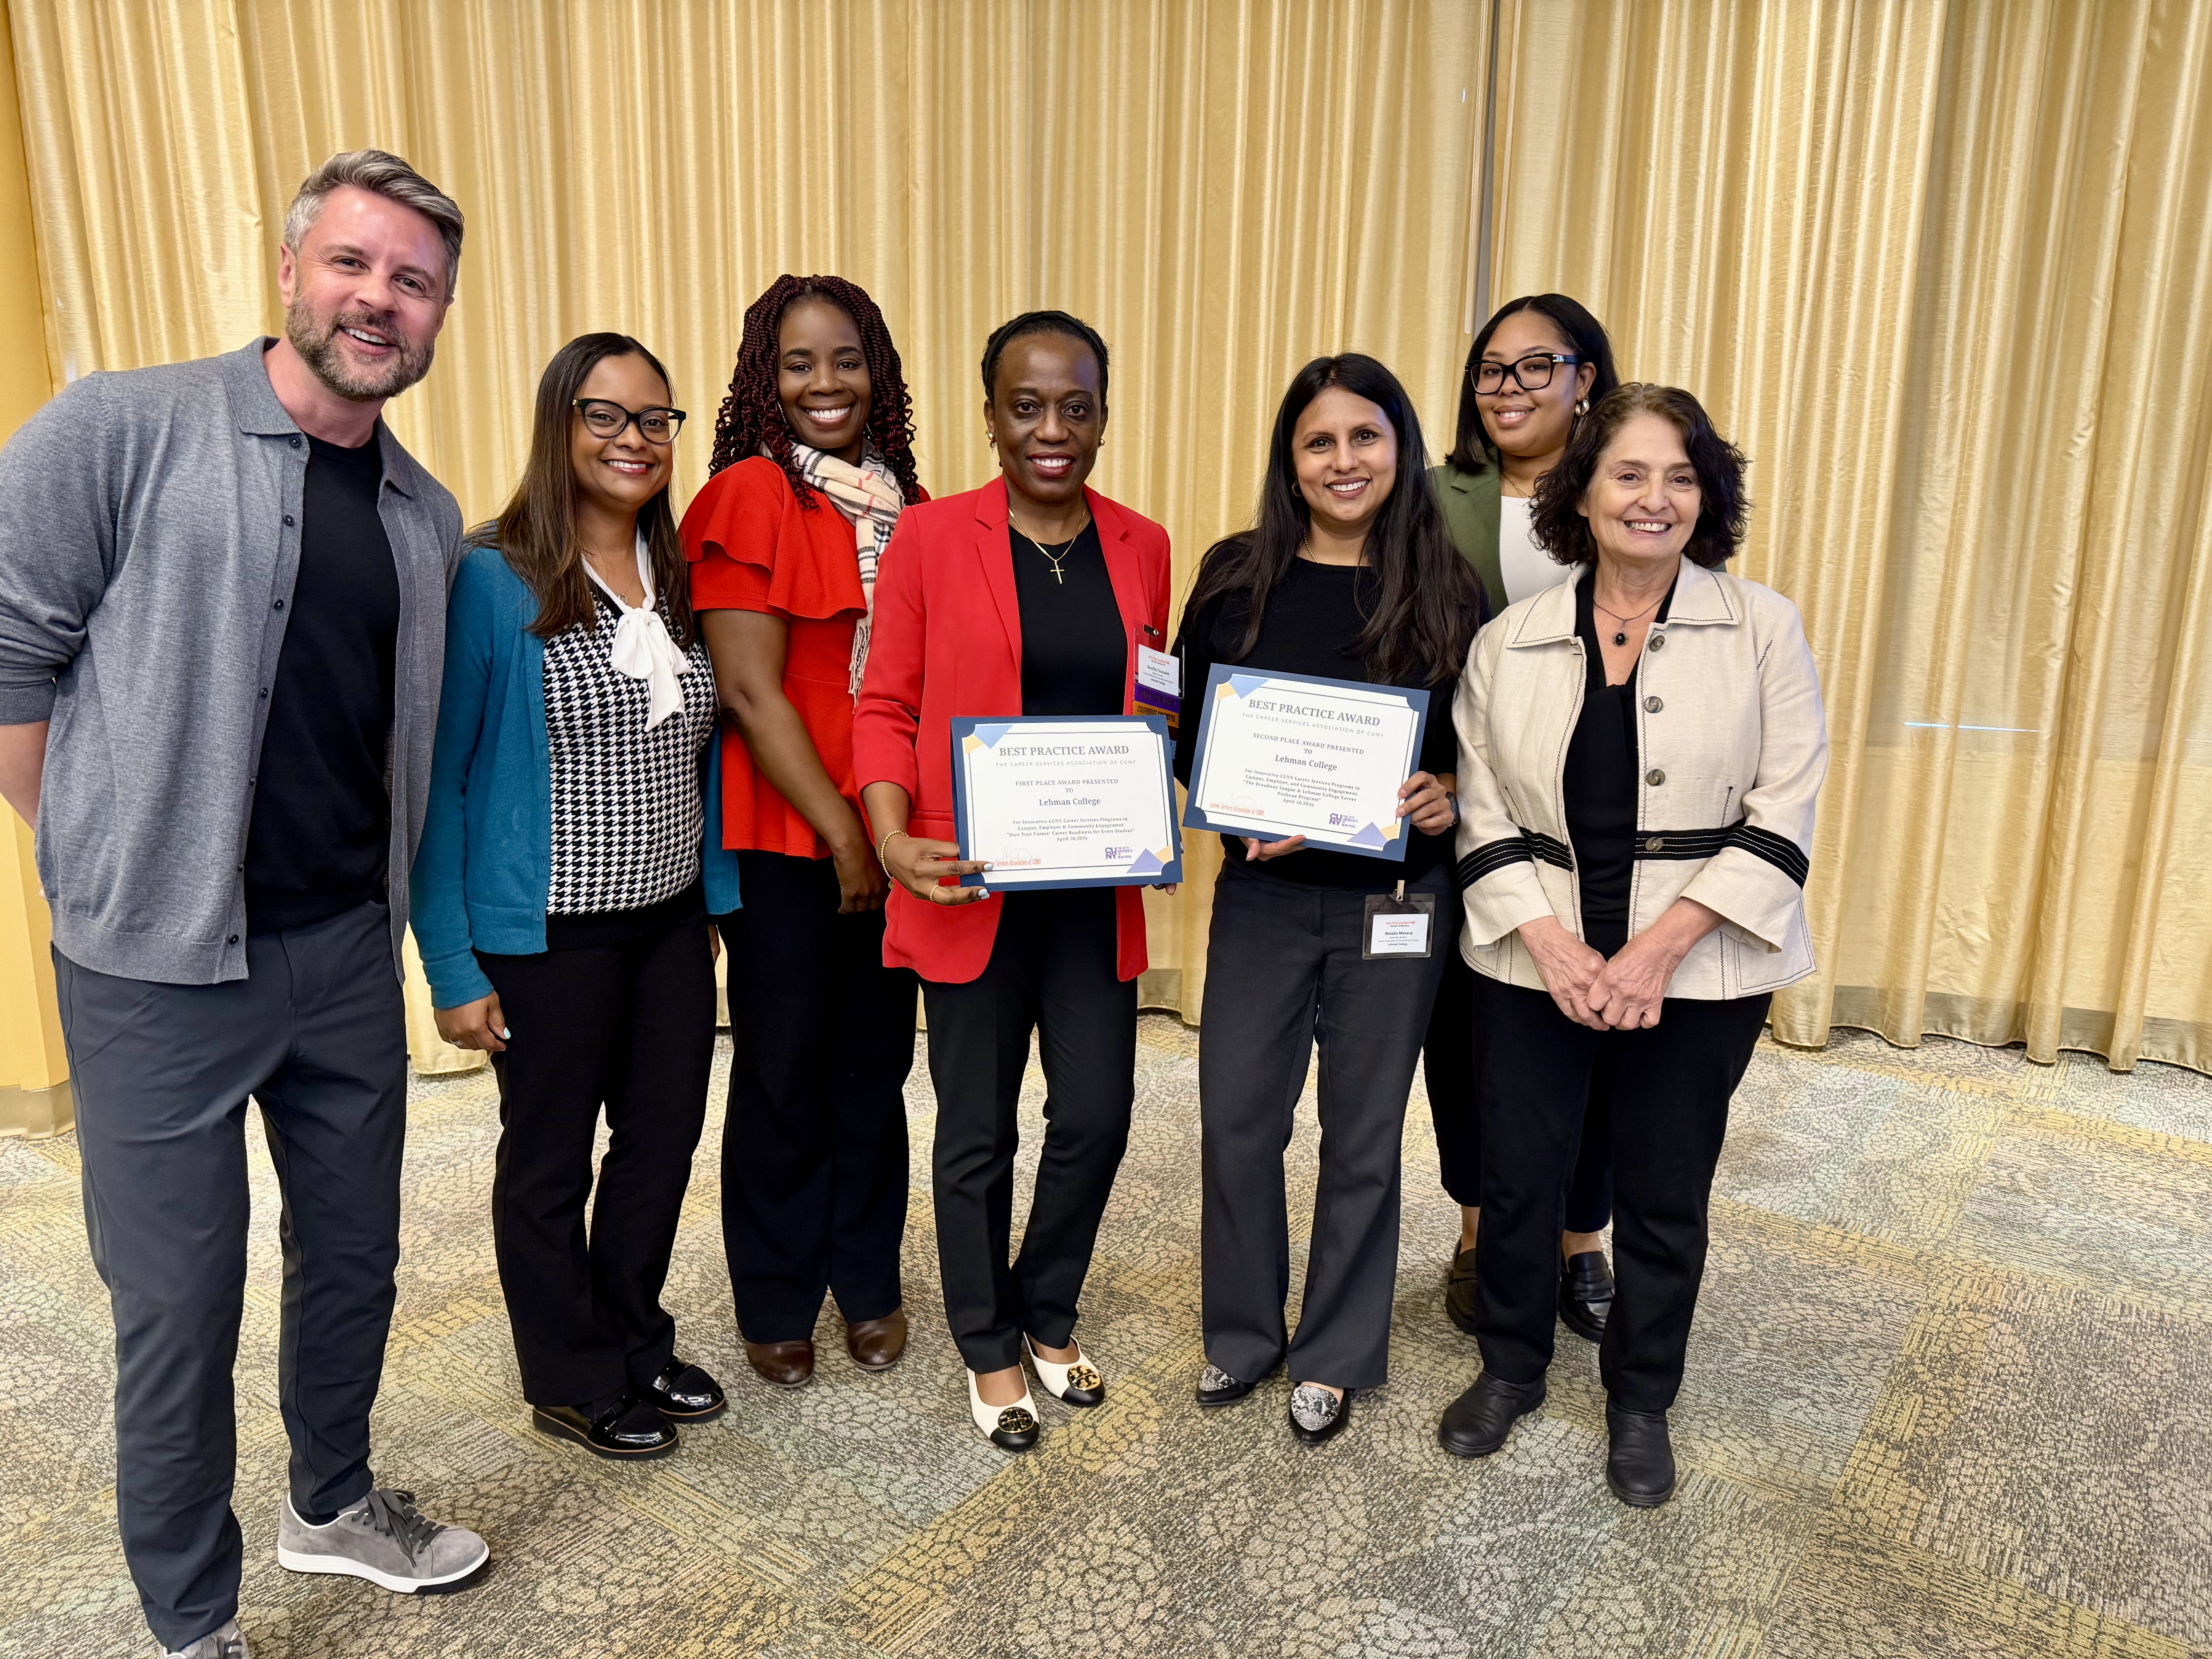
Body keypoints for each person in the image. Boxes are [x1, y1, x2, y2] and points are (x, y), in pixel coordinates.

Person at [0, 151, 489, 1659]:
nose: (378, 302)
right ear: (292, 272)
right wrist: (97, 849)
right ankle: (190, 1620)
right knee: (179, 1307)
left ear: (438, 317)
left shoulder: (423, 509)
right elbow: (13, 659)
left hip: (341, 956)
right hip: (154, 971)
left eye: (413, 283)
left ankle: (330, 1503)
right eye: (354, 265)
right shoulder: (119, 429)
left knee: (355, 1258)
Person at [1435, 385, 1826, 1508]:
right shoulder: (1508, 641)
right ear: (1583, 491)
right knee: (1519, 1181)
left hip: (1702, 967)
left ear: (1708, 497)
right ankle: (1511, 1364)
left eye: (1681, 476)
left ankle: (1641, 1395)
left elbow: (1785, 803)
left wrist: (1657, 950)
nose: (1654, 499)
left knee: (1663, 1192)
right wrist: (1556, 946)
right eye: (1629, 474)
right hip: (1533, 958)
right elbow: (1482, 810)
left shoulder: (1765, 625)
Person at [412, 334, 735, 1462]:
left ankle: (637, 1335)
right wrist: (452, 967)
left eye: (655, 419)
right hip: (545, 933)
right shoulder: (492, 575)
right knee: (548, 1160)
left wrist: (718, 904)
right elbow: (440, 784)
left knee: (661, 1142)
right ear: (559, 425)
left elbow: (705, 753)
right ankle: (568, 1373)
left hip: (668, 921)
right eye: (605, 416)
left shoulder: (682, 567)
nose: (634, 440)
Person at [853, 311, 1172, 1451]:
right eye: (1027, 405)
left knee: (1096, 1114)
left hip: (1094, 889)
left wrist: (1164, 784)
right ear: (990, 415)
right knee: (976, 1130)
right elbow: (885, 701)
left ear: (1102, 413)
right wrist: (890, 835)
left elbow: (1156, 704)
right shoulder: (933, 538)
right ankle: (989, 1342)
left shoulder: (1144, 544)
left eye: (1076, 405)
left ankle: (1049, 1306)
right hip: (968, 884)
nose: (1053, 428)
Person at [1175, 354, 1483, 1444]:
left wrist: (1448, 797)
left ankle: (1337, 1350)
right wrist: (1224, 793)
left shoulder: (1447, 588)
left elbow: (1481, 758)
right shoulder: (1232, 576)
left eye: (1366, 437)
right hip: (1263, 897)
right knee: (1240, 1123)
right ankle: (1244, 1335)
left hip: (1397, 907)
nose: (1343, 460)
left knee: (1363, 1135)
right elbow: (1184, 735)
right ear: (1290, 459)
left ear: (1400, 449)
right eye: (1319, 442)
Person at [682, 276, 926, 1390]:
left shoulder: (910, 505)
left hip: (896, 834)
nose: (826, 383)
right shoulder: (750, 495)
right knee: (784, 1071)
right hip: (796, 836)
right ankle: (777, 1296)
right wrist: (841, 834)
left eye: (845, 359)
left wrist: (890, 833)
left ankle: (867, 1281)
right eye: (798, 363)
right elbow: (748, 688)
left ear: (878, 370)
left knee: (876, 1068)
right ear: (762, 381)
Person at [1425, 295, 1624, 1345]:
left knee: (1590, 1020)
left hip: (1599, 821)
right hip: (1460, 806)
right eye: (1489, 371)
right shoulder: (1434, 496)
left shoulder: (1626, 485)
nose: (1504, 389)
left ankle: (1581, 1233)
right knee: (1467, 1036)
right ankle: (1477, 1225)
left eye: (1532, 368)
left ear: (1584, 376)